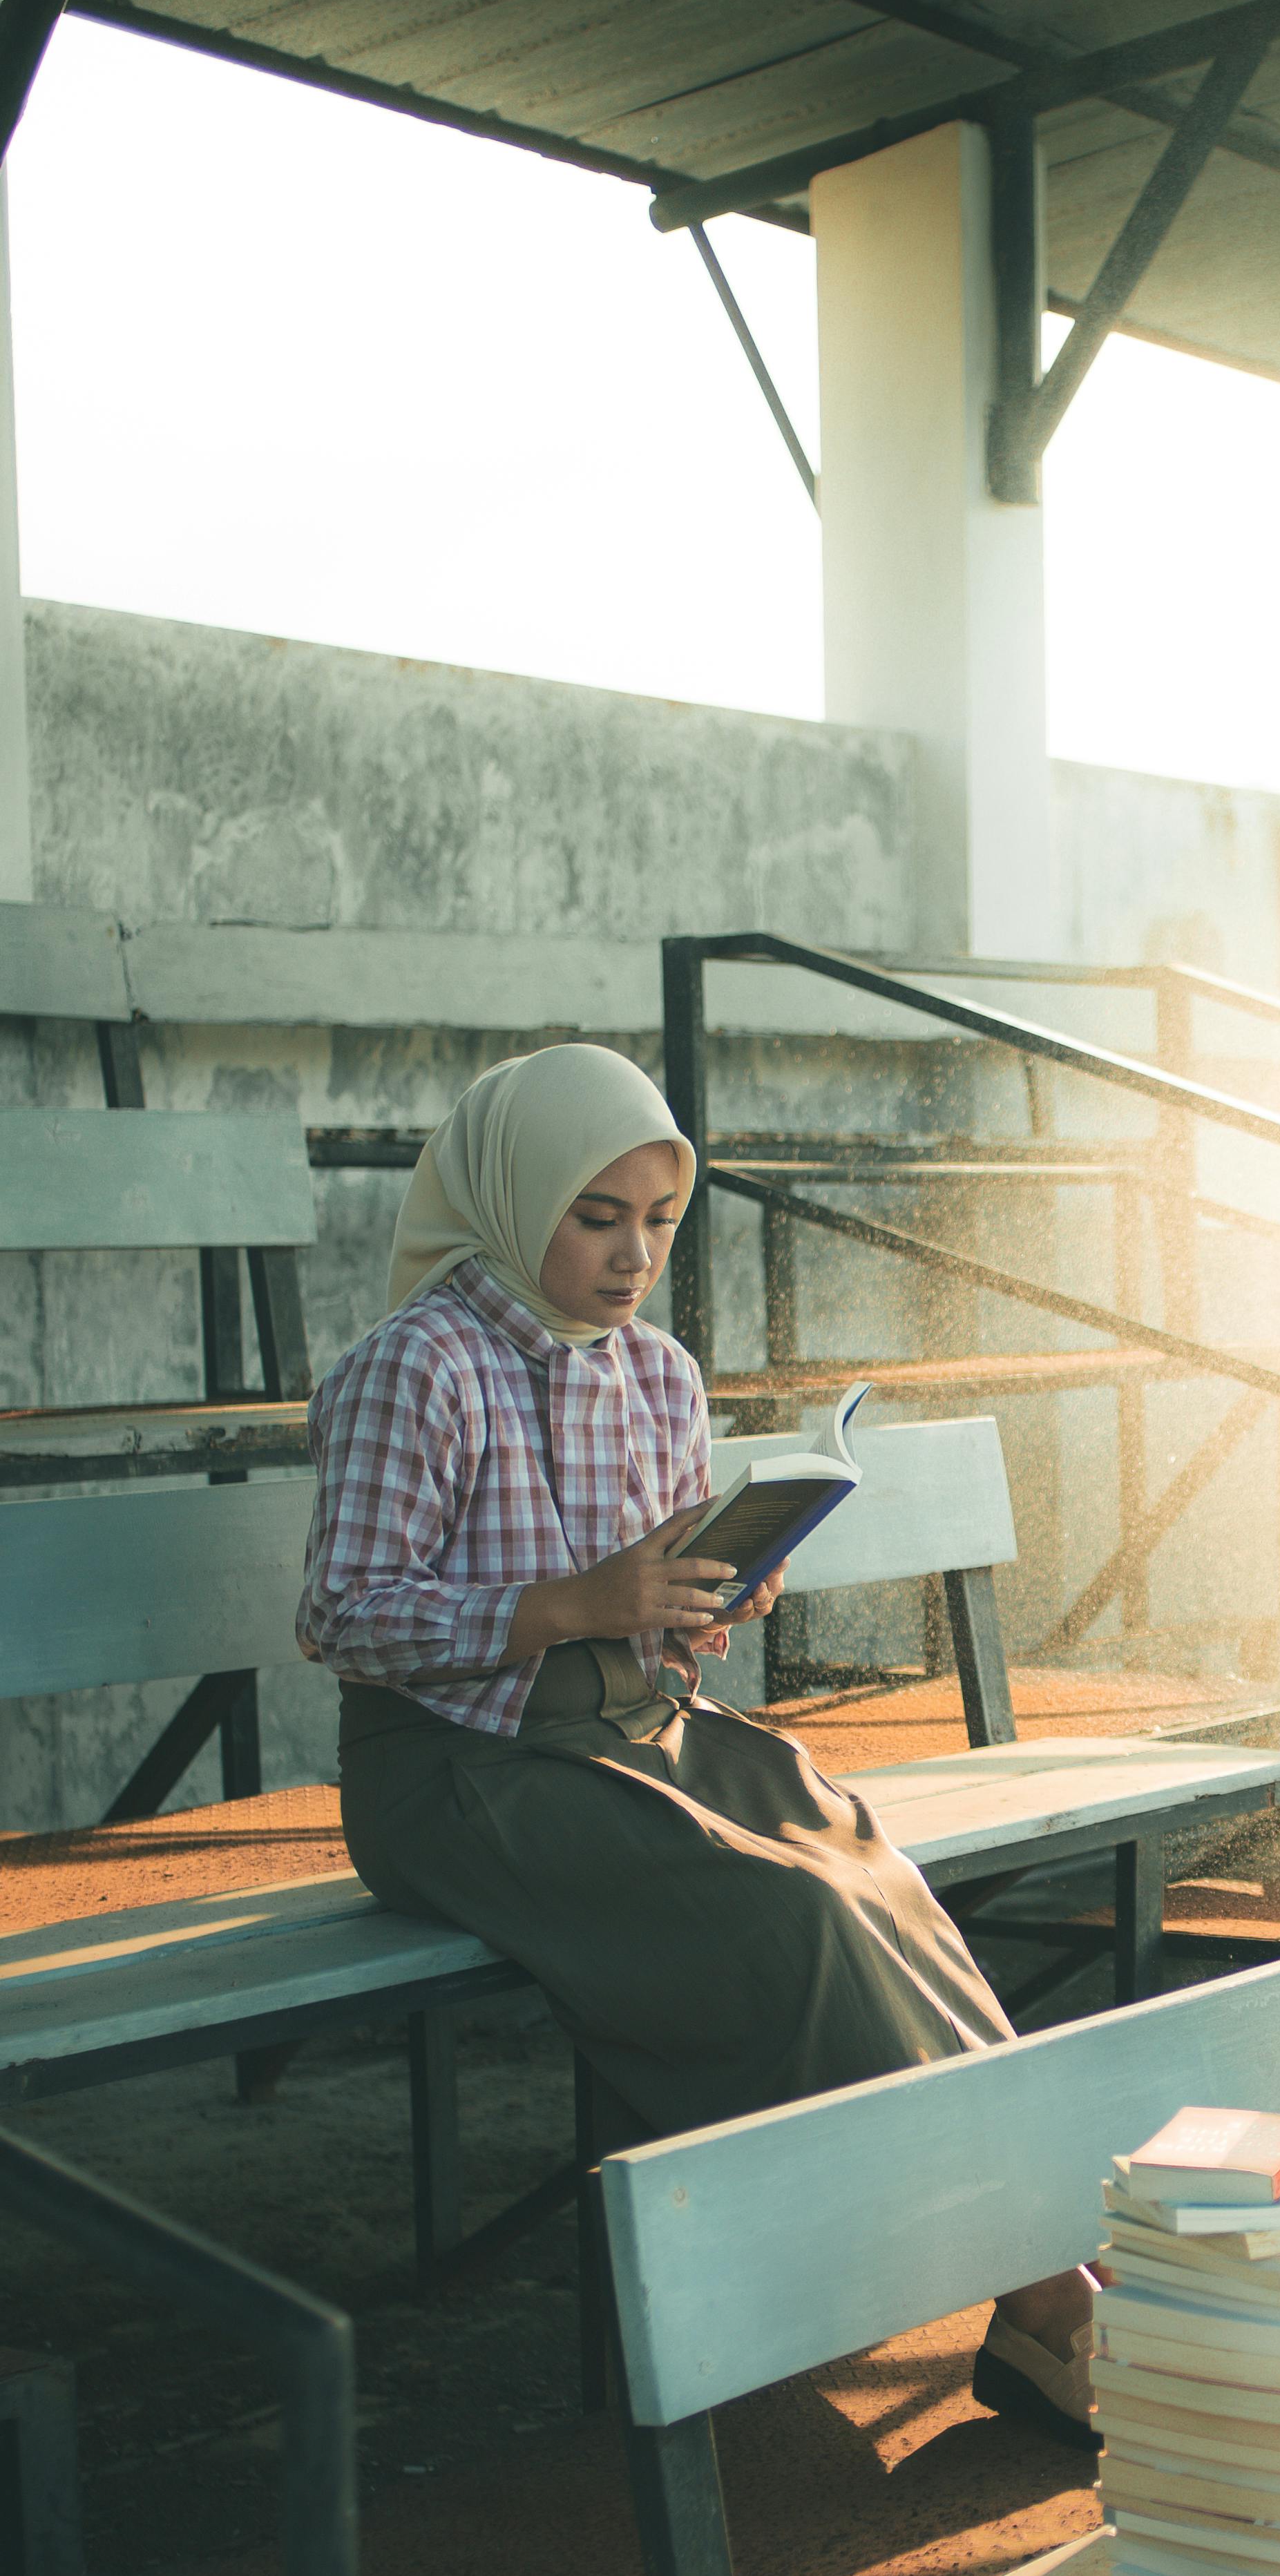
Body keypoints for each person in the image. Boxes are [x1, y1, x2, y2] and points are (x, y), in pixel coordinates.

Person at [297, 1042, 1095, 2438]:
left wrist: (709, 1589)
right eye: (595, 1216)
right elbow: (344, 1617)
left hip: (649, 1728)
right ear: (512, 1193)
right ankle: (1044, 2299)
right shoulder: (412, 1367)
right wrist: (574, 1605)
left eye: (659, 1222)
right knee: (789, 1920)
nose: (631, 1255)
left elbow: (654, 1600)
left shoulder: (657, 1374)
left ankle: (1042, 2242)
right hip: (457, 1769)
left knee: (873, 1881)